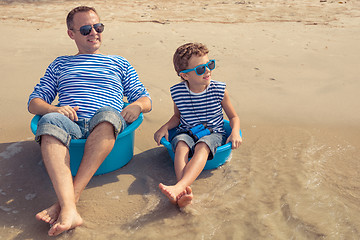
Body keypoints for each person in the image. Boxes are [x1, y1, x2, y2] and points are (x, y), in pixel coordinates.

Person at [27, 6, 152, 236]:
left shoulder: (119, 62)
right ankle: (70, 210)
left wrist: (136, 105)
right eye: (86, 29)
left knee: (107, 115)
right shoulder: (60, 64)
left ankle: (68, 203)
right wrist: (55, 108)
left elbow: (144, 98)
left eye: (98, 27)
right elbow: (34, 103)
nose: (94, 32)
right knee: (49, 121)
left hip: (105, 121)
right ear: (71, 34)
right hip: (70, 123)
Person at [154, 43, 242, 208]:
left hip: (214, 133)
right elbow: (177, 117)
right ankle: (182, 190)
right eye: (200, 69)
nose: (208, 70)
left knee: (203, 145)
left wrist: (235, 132)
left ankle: (179, 187)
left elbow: (234, 117)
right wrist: (165, 127)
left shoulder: (219, 90)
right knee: (180, 144)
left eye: (210, 65)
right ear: (185, 76)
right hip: (187, 130)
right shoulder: (178, 92)